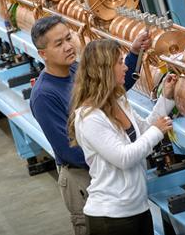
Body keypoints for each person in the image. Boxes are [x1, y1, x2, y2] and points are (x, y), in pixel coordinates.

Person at [29, 16, 150, 235]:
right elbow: (69, 150)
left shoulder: (75, 69)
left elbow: (109, 86)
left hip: (103, 169)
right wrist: (119, 153)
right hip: (82, 179)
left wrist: (132, 55)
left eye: (68, 38)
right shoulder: (44, 95)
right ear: (42, 54)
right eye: (59, 44)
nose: (68, 46)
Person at [68, 39, 176, 235]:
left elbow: (143, 130)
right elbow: (123, 158)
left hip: (138, 208)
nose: (126, 67)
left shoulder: (118, 101)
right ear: (103, 69)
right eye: (120, 62)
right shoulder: (89, 117)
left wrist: (166, 99)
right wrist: (157, 132)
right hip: (111, 218)